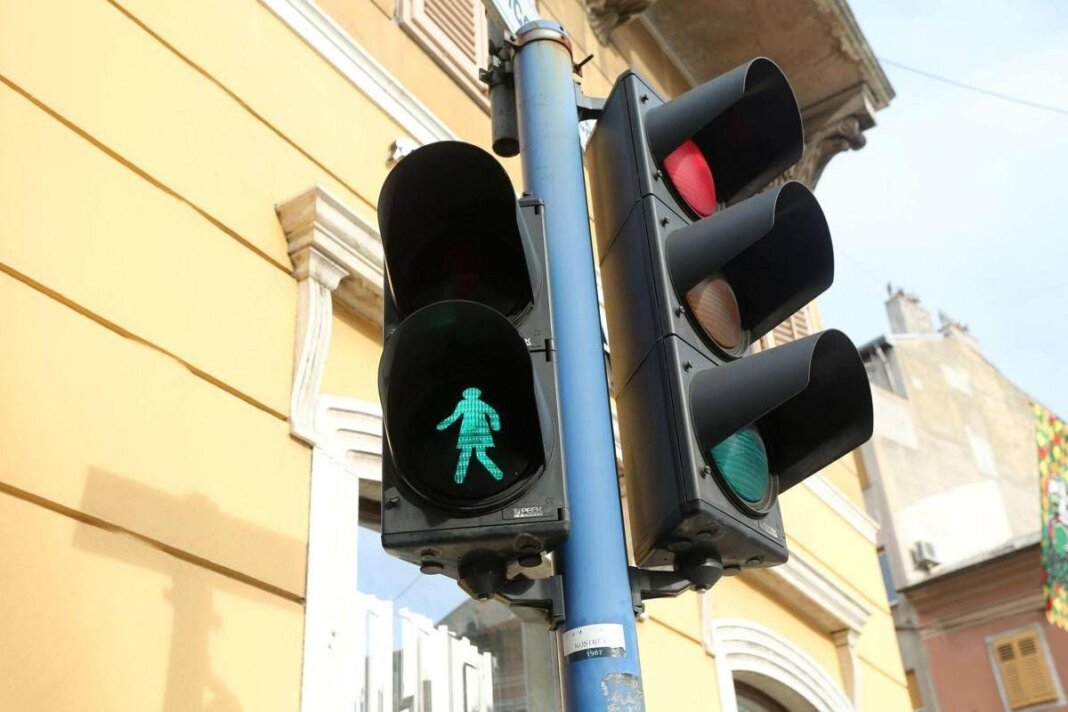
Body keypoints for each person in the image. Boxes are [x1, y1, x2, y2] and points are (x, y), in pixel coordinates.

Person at [437, 387, 504, 484]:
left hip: (479, 433)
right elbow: (454, 416)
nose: (471, 396)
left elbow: (492, 413)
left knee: (475, 455)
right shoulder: (464, 404)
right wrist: (443, 425)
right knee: (469, 454)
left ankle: (497, 473)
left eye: (473, 394)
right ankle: (460, 478)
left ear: (477, 395)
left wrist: (495, 425)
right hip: (470, 433)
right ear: (466, 395)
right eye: (470, 394)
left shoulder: (479, 403)